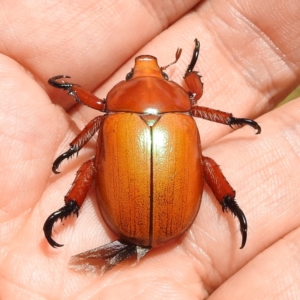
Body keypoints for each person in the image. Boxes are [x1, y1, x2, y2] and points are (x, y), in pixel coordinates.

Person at [0, 1, 300, 299]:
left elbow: (95, 108)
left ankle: (71, 206)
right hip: (169, 219)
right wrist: (222, 109)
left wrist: (73, 102)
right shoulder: (185, 109)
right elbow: (195, 97)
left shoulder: (107, 114)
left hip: (139, 215)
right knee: (204, 163)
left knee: (91, 166)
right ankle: (228, 202)